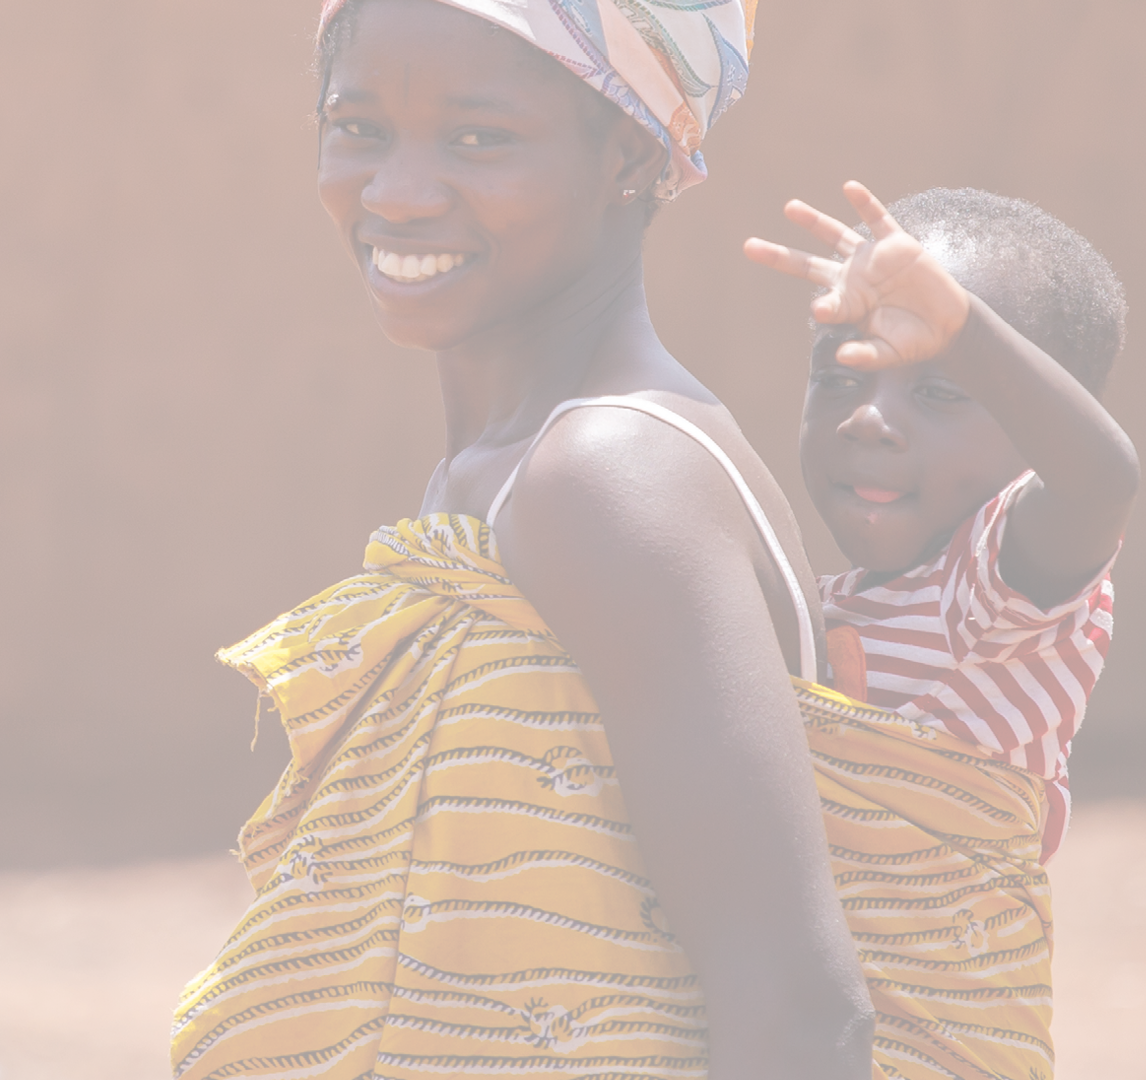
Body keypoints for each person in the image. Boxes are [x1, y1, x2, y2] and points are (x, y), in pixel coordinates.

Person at [172, 3, 1068, 1079]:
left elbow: (796, 1011)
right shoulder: (504, 469)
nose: (397, 191)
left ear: (630, 156)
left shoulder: (607, 477)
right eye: (359, 127)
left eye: (479, 139)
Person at [744, 184, 1134, 864]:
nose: (867, 418)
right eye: (839, 375)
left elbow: (1102, 484)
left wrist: (966, 331)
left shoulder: (992, 600)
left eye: (941, 391)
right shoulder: (841, 601)